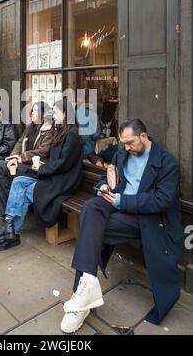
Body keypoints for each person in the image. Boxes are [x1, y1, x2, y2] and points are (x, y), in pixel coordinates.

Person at [61, 119, 183, 333]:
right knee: (91, 208)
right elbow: (109, 177)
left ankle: (80, 296)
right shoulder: (123, 153)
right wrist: (104, 187)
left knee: (92, 228)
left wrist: (121, 201)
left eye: (130, 142)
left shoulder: (167, 162)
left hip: (145, 217)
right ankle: (87, 285)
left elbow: (161, 200)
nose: (126, 147)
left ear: (143, 137)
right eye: (123, 143)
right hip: (117, 204)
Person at [0, 98, 84, 251]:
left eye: (56, 112)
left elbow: (63, 163)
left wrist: (41, 168)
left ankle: (12, 232)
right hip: (55, 176)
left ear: (65, 114)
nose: (53, 115)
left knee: (23, 190)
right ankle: (9, 228)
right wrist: (42, 165)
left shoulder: (72, 136)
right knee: (18, 181)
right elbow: (56, 160)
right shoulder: (62, 132)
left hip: (64, 182)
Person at [0, 101, 54, 218]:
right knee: (2, 179)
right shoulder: (30, 127)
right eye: (32, 110)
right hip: (21, 163)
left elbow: (42, 151)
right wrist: (14, 157)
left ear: (44, 114)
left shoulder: (49, 130)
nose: (32, 113)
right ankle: (5, 220)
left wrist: (19, 157)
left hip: (34, 167)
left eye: (36, 111)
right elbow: (19, 143)